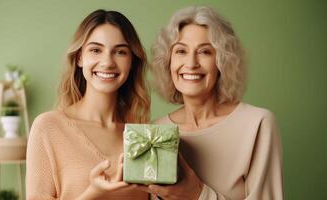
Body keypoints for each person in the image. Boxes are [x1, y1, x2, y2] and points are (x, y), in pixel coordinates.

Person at [142, 6, 283, 200]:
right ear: (168, 61)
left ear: (222, 61)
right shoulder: (154, 133)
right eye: (181, 51)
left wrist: (198, 194)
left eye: (205, 52)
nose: (191, 63)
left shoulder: (257, 124)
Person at [26, 9, 151, 200]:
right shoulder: (48, 127)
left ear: (132, 61)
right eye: (95, 50)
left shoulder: (142, 135)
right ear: (79, 58)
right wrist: (92, 194)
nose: (108, 62)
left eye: (120, 52)